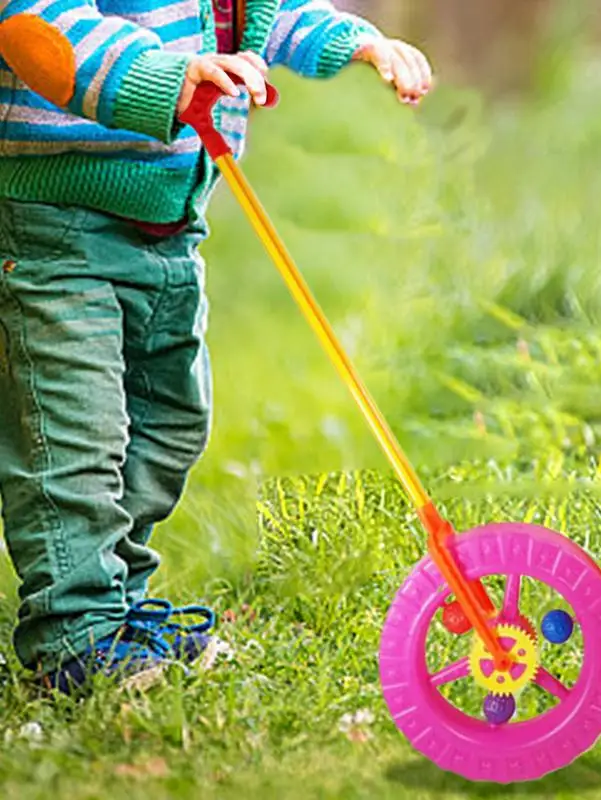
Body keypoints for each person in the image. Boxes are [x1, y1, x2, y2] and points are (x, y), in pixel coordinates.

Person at [0, 0, 432, 694]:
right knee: (75, 435)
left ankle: (117, 605)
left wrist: (359, 42)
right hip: (57, 225)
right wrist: (172, 78)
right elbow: (39, 28)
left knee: (170, 424)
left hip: (172, 225)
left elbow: (269, 12)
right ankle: (75, 633)